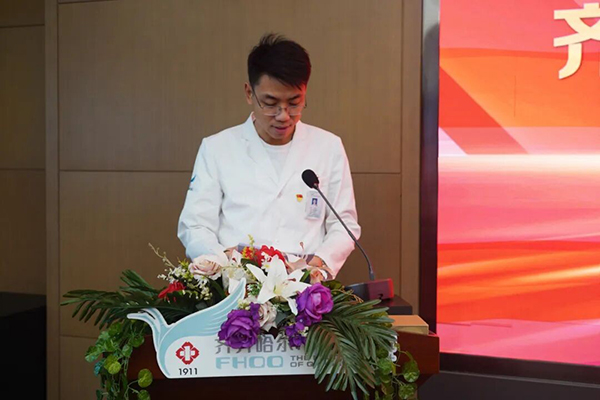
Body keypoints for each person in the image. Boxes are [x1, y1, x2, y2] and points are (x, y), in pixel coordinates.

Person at [178, 33, 360, 278]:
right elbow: (195, 224)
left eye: (294, 103)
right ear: (249, 93)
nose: (283, 115)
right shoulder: (217, 148)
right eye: (270, 103)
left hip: (306, 283)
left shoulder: (328, 147)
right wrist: (224, 262)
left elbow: (344, 223)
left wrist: (317, 265)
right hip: (236, 281)